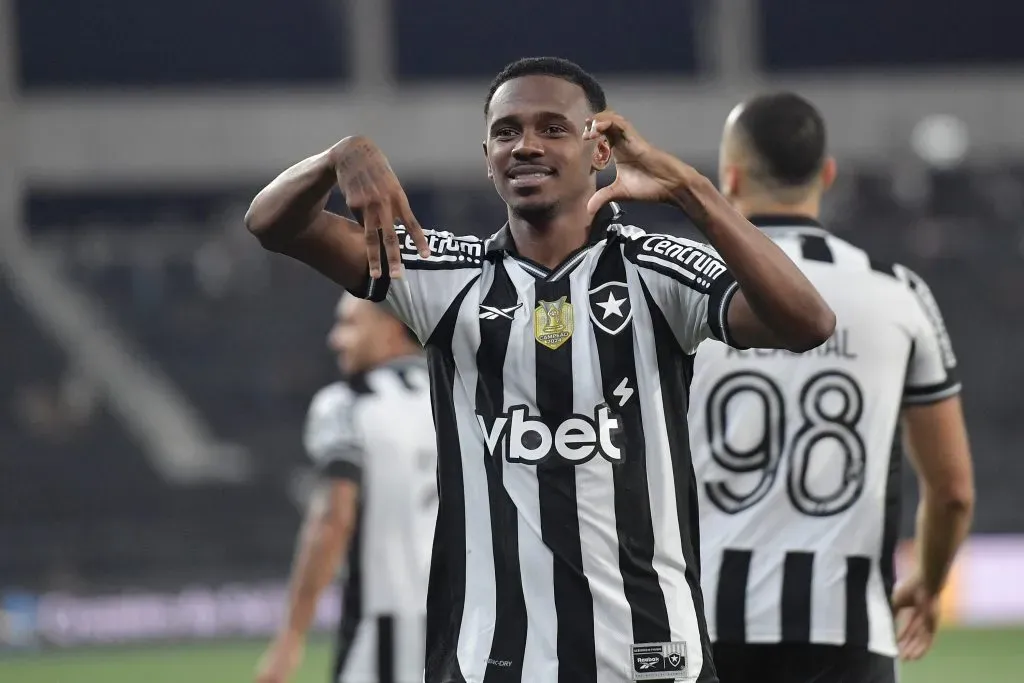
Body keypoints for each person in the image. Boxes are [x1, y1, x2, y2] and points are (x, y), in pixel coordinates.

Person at [245, 56, 835, 683]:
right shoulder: (441, 275)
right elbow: (271, 223)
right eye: (507, 132)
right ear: (488, 158)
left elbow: (808, 322)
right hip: (496, 663)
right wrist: (339, 157)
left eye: (553, 128)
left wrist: (691, 190)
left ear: (600, 148)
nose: (525, 145)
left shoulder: (657, 269)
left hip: (652, 659)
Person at [689, 92, 976, 683]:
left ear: (730, 177)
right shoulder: (897, 292)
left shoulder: (677, 286)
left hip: (696, 621)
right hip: (845, 631)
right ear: (827, 174)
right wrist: (928, 582)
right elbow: (952, 491)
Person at [255, 295, 436, 683]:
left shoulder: (347, 405)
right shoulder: (462, 398)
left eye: (350, 324)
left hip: (385, 633)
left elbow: (332, 519)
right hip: (465, 629)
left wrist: (291, 635)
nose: (336, 340)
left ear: (391, 328)